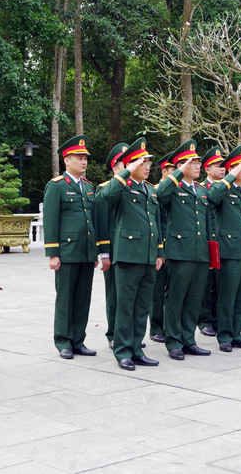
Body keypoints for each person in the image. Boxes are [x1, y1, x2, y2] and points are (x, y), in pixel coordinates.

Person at [97, 138, 164, 370]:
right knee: (125, 306)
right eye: (143, 162)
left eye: (148, 162)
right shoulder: (120, 186)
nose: (147, 166)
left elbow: (157, 223)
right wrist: (126, 170)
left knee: (141, 307)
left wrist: (158, 252)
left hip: (147, 255)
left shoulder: (149, 189)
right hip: (127, 255)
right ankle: (123, 351)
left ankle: (136, 349)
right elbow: (106, 195)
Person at [157, 140, 214, 360]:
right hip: (180, 252)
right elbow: (160, 195)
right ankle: (173, 342)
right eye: (193, 162)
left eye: (199, 162)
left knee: (194, 298)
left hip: (200, 252)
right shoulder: (172, 187)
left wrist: (210, 252)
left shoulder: (200, 190)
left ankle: (188, 339)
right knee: (176, 298)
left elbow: (207, 223)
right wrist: (177, 173)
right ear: (181, 165)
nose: (198, 166)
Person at [43, 135, 99, 359]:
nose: (84, 162)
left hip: (86, 251)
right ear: (67, 160)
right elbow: (50, 219)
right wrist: (53, 253)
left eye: (85, 158)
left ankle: (78, 340)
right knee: (65, 297)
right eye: (79, 157)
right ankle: (63, 340)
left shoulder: (88, 187)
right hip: (66, 252)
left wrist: (94, 251)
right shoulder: (56, 186)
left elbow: (91, 221)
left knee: (83, 297)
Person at [207, 146, 241, 352]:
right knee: (227, 295)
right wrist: (229, 177)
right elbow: (212, 198)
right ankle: (225, 336)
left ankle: (237, 333)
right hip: (228, 250)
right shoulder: (222, 188)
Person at [94, 143, 129, 349]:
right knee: (115, 295)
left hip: (133, 250)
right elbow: (102, 223)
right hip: (115, 250)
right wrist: (104, 253)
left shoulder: (139, 187)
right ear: (116, 168)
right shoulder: (104, 189)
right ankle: (113, 333)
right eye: (127, 163)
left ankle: (129, 334)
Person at [197, 146, 224, 337]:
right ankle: (205, 320)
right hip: (207, 240)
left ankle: (216, 319)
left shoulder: (227, 188)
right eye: (217, 166)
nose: (222, 169)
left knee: (219, 284)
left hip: (223, 241)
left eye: (223, 166)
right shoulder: (202, 189)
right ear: (207, 169)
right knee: (206, 284)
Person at [148, 152, 174, 343]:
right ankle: (156, 327)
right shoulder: (157, 190)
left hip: (177, 246)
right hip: (161, 244)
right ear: (165, 171)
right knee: (157, 289)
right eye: (174, 170)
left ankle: (170, 325)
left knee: (173, 289)